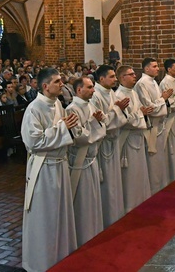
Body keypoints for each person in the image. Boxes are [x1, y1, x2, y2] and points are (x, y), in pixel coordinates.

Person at [21, 68, 80, 272]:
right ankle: (41, 260)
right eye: (57, 81)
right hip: (44, 168)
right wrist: (63, 128)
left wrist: (71, 127)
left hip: (59, 164)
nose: (61, 84)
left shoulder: (57, 104)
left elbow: (65, 129)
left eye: (61, 80)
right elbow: (34, 141)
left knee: (60, 211)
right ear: (45, 86)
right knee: (45, 215)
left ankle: (60, 254)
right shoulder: (34, 108)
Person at [66, 76, 106, 247]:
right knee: (83, 201)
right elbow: (80, 137)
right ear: (78, 90)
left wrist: (97, 124)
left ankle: (94, 232)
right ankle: (83, 235)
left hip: (92, 159)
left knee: (93, 198)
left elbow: (103, 128)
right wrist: (95, 123)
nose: (93, 90)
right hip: (80, 161)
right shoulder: (71, 109)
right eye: (89, 87)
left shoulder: (91, 105)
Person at [89, 64, 130, 227]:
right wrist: (117, 110)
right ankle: (107, 217)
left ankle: (115, 213)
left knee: (114, 180)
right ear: (101, 79)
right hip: (103, 143)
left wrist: (118, 110)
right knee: (106, 182)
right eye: (112, 77)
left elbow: (114, 116)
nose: (115, 80)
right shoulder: (96, 95)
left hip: (113, 140)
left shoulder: (110, 92)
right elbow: (100, 121)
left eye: (114, 76)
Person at [134, 58, 174, 194]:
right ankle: (154, 190)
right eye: (155, 66)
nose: (158, 68)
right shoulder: (142, 84)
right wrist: (163, 99)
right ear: (146, 69)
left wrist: (163, 99)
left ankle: (161, 187)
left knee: (159, 160)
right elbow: (150, 107)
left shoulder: (152, 81)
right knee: (153, 161)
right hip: (152, 127)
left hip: (159, 126)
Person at [115, 65, 152, 212]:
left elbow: (139, 112)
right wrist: (141, 114)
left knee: (140, 172)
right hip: (128, 139)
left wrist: (143, 113)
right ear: (122, 78)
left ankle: (141, 201)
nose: (134, 76)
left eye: (134, 73)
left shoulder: (133, 92)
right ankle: (130, 205)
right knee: (130, 175)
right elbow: (123, 120)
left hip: (137, 136)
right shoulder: (119, 96)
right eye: (130, 74)